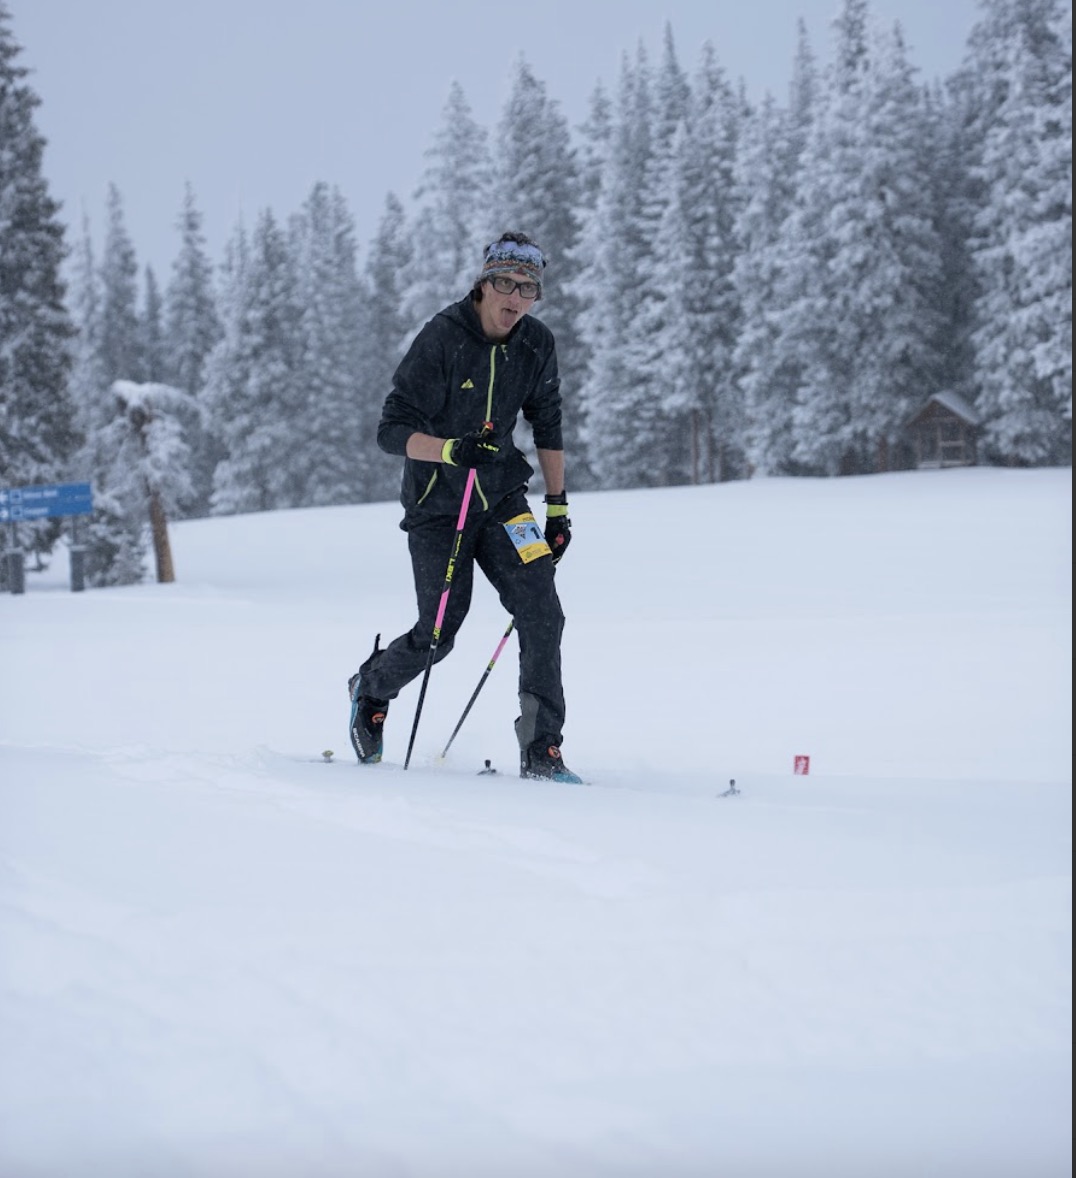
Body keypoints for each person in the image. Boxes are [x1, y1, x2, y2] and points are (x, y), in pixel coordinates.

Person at [347, 232, 582, 784]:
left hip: (503, 500)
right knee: (439, 632)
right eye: (506, 283)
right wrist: (450, 450)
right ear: (483, 283)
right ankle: (371, 687)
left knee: (542, 609)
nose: (517, 298)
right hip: (438, 505)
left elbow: (547, 423)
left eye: (529, 288)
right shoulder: (443, 338)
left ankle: (542, 751)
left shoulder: (535, 343)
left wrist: (558, 508)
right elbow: (390, 431)